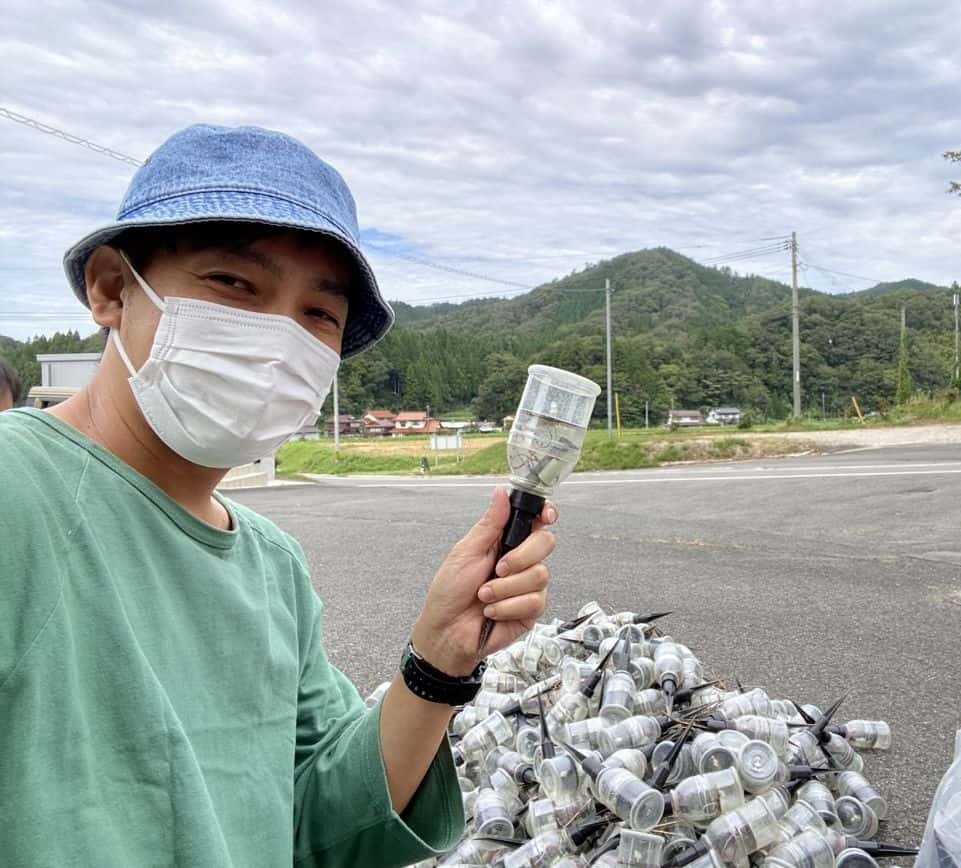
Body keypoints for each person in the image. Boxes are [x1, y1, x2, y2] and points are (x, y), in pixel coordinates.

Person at [0, 125, 555, 867]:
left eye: (318, 315)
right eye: (233, 284)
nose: (275, 340)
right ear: (110, 288)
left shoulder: (272, 567)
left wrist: (439, 657)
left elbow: (319, 822)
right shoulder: (17, 494)